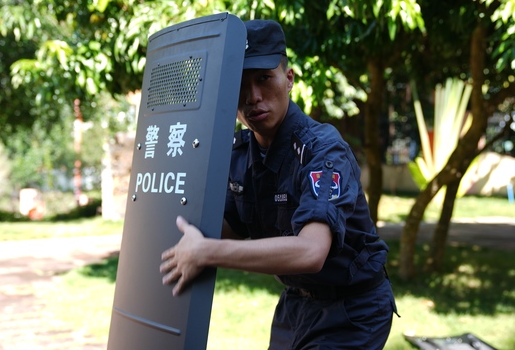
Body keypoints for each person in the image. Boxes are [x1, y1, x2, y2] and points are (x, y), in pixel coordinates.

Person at [160, 19, 397, 349]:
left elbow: (311, 251)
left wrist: (207, 252)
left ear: (288, 80)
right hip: (296, 303)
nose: (253, 97)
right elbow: (225, 227)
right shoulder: (242, 154)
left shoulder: (322, 150)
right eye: (240, 84)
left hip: (352, 307)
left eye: (263, 79)